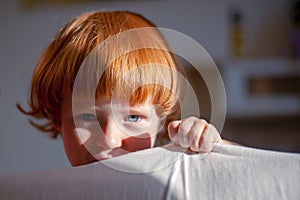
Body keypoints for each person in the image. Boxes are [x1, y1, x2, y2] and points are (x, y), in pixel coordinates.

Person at [18, 11, 234, 166]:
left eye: (133, 118)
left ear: (161, 121)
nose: (109, 140)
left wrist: (214, 148)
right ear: (58, 118)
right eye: (87, 116)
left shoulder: (179, 174)